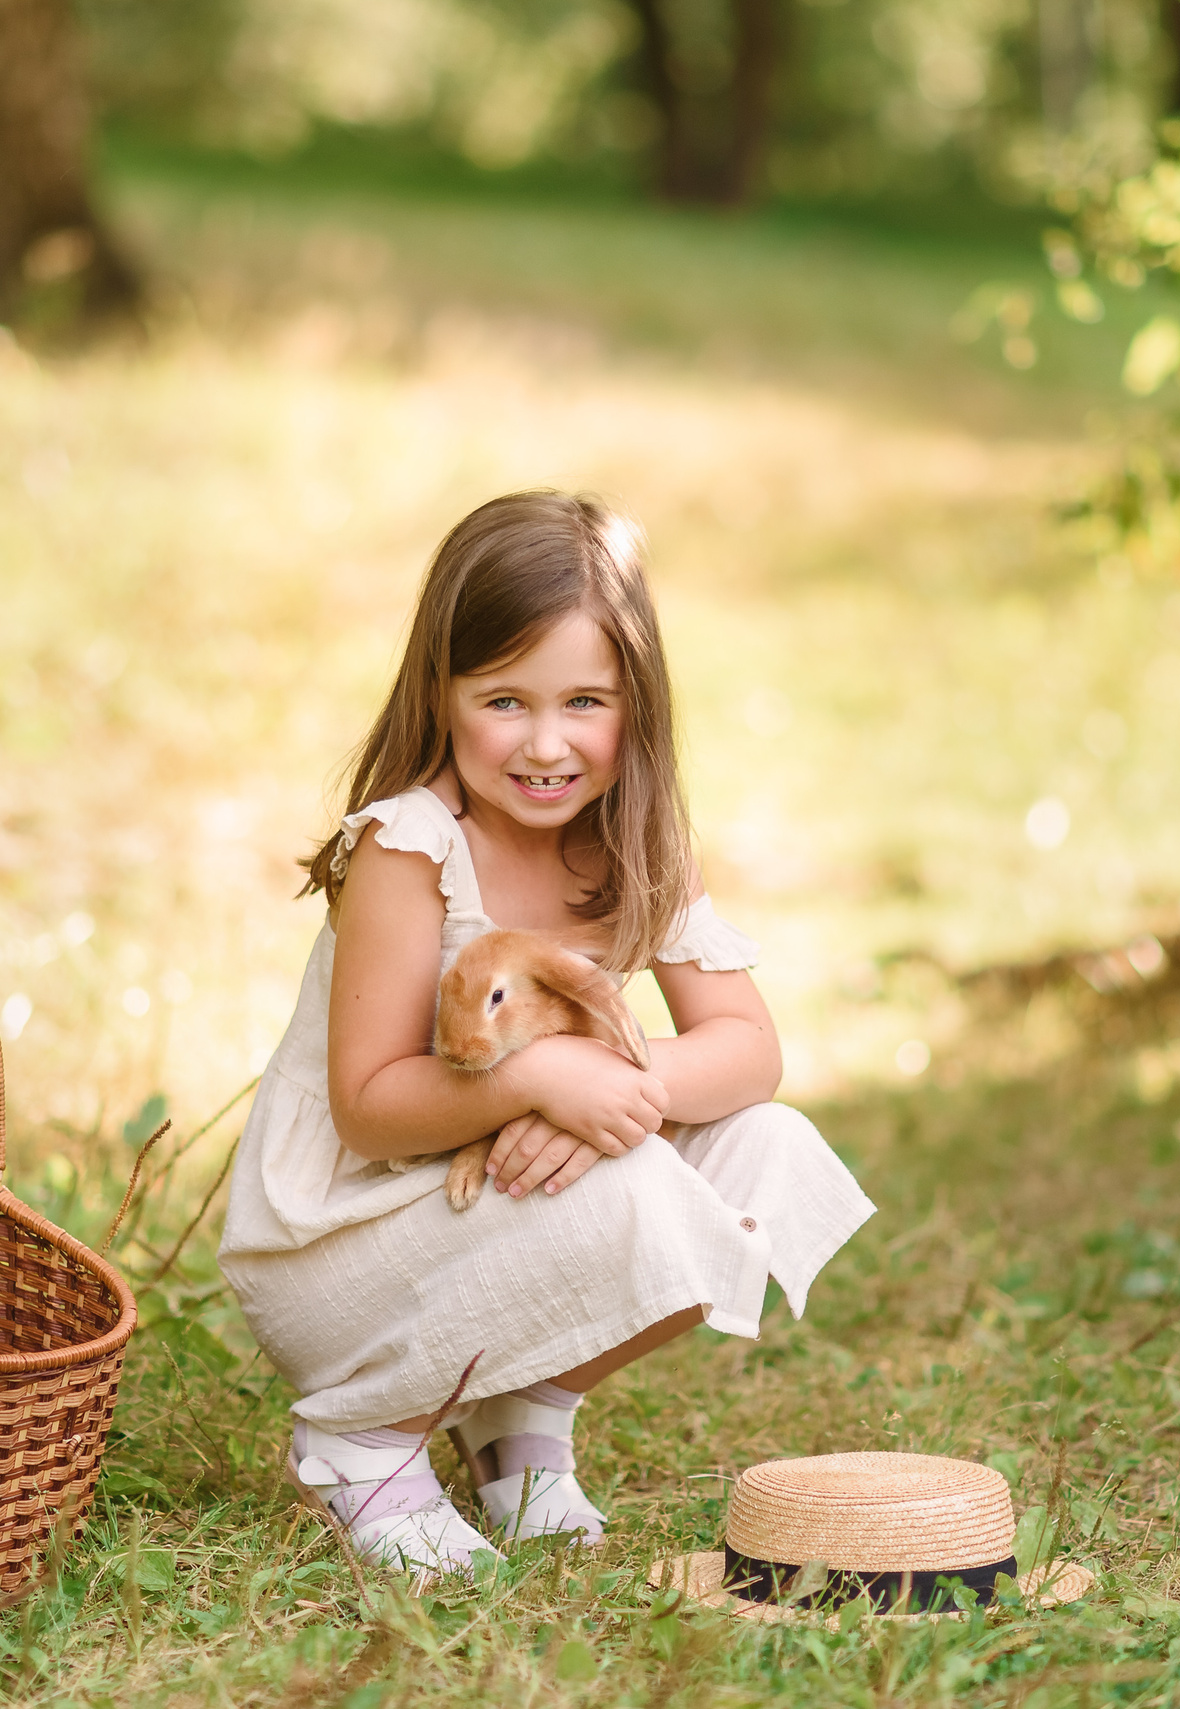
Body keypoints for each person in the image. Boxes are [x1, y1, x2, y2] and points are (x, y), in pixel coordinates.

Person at [217, 490, 875, 1576]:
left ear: (637, 705)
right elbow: (370, 1105)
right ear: (442, 691)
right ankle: (363, 1433)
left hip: (494, 1211)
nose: (545, 742)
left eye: (584, 700)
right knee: (636, 1188)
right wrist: (541, 1075)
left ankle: (518, 1404)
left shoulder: (636, 838)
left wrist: (610, 1091)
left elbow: (747, 1047)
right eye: (503, 699)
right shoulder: (410, 846)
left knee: (770, 1148)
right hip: (344, 1242)